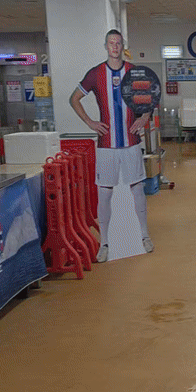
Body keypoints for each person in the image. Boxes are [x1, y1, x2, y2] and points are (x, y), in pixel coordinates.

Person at [69, 29, 153, 263]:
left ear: (122, 45)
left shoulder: (133, 72)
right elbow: (73, 98)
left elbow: (148, 100)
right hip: (106, 144)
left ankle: (144, 236)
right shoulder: (95, 73)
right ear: (106, 46)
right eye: (110, 43)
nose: (114, 47)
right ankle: (104, 243)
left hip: (131, 143)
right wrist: (90, 122)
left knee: (137, 190)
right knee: (104, 193)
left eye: (118, 43)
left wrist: (144, 118)